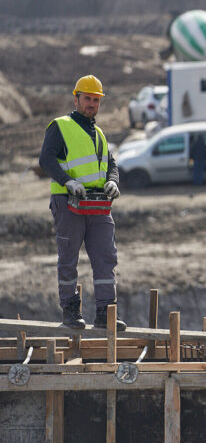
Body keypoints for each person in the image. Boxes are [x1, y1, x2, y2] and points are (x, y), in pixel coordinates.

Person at [38, 75, 126, 330]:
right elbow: (46, 159)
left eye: (96, 100)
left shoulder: (98, 132)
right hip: (68, 202)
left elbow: (111, 163)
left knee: (106, 258)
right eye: (87, 99)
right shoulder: (60, 126)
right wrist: (67, 181)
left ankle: (105, 313)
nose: (92, 104)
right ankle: (70, 310)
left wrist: (113, 181)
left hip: (97, 205)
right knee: (68, 258)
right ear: (76, 99)